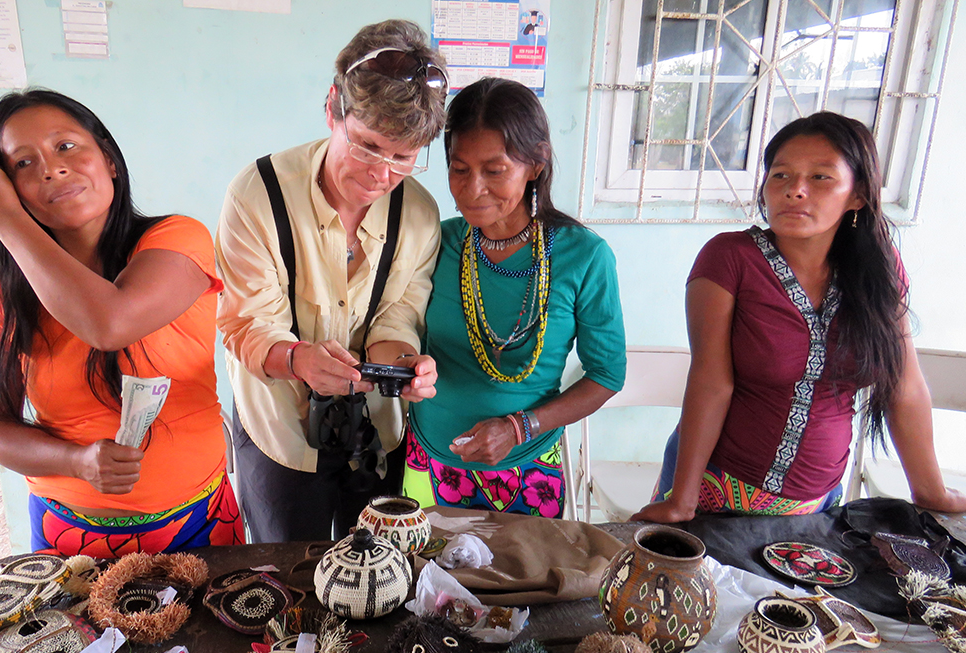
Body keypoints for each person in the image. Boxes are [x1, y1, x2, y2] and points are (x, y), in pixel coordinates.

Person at [634, 111, 966, 523]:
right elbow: (710, 382)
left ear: (857, 195)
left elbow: (903, 383)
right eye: (781, 176)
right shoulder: (730, 259)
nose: (795, 191)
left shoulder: (878, 269)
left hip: (821, 506)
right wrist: (681, 501)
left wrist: (930, 490)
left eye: (821, 178)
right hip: (717, 492)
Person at [0, 89, 244, 556]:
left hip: (198, 524)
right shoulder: (4, 289)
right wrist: (76, 461)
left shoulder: (177, 240)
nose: (52, 169)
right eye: (23, 164)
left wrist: (3, 215)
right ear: (8, 185)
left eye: (65, 147)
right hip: (68, 534)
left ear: (109, 160)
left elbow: (109, 322)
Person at [216, 19, 447, 542]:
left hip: (375, 433)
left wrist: (404, 369)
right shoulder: (257, 196)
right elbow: (247, 324)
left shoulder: (419, 215)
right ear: (332, 108)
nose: (380, 174)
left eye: (403, 157)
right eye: (366, 145)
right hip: (279, 428)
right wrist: (298, 360)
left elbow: (397, 318)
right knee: (288, 575)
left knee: (378, 570)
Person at [404, 78, 626, 518]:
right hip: (428, 461)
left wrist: (521, 427)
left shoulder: (583, 256)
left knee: (521, 587)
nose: (472, 189)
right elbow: (398, 322)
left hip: (528, 471)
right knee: (425, 584)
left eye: (495, 170)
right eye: (459, 168)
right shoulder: (437, 242)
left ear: (536, 164)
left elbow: (607, 374)